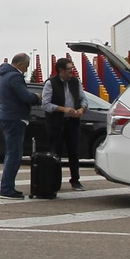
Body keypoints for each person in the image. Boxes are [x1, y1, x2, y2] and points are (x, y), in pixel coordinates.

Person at [0, 52, 39, 199]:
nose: (26, 69)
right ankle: (7, 189)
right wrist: (36, 97)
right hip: (15, 118)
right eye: (26, 66)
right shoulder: (15, 76)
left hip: (5, 116)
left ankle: (7, 187)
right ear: (19, 64)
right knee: (14, 154)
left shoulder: (3, 76)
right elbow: (25, 96)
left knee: (11, 153)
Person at [42, 56, 87, 190]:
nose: (71, 72)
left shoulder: (75, 82)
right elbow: (45, 104)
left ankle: (75, 180)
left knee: (73, 151)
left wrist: (81, 109)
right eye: (68, 69)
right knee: (55, 152)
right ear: (61, 70)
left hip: (72, 122)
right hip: (56, 122)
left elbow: (83, 99)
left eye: (72, 69)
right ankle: (54, 181)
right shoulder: (51, 83)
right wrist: (63, 109)